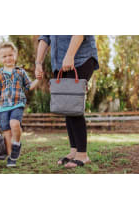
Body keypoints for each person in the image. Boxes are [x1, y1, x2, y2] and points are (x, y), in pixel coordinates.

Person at [35, 35, 99, 168]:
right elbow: (45, 37)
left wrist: (70, 55)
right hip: (59, 62)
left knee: (72, 104)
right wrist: (38, 63)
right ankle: (74, 151)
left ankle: (82, 154)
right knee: (67, 105)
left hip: (81, 58)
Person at [0, 42, 40, 167]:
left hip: (17, 104)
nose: (8, 58)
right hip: (3, 108)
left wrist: (38, 80)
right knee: (7, 133)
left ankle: (17, 144)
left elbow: (29, 86)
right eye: (4, 56)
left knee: (15, 123)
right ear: (0, 58)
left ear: (15, 55)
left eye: (10, 55)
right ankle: (11, 157)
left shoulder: (20, 72)